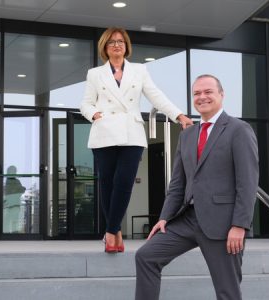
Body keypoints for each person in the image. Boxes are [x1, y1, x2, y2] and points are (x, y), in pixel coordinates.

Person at [134, 74, 259, 300]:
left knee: (227, 290)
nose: (202, 97)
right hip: (187, 220)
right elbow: (178, 183)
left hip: (223, 224)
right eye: (197, 93)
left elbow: (248, 182)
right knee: (146, 256)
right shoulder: (188, 134)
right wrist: (164, 217)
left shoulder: (239, 129)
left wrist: (240, 225)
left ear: (221, 94)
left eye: (208, 92)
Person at [79, 27, 193, 253]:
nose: (116, 45)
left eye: (120, 41)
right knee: (107, 184)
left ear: (126, 46)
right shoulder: (95, 74)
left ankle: (110, 232)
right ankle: (115, 233)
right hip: (104, 133)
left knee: (124, 182)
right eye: (111, 42)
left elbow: (156, 96)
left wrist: (178, 115)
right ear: (105, 47)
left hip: (132, 134)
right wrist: (93, 114)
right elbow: (86, 103)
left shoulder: (139, 71)